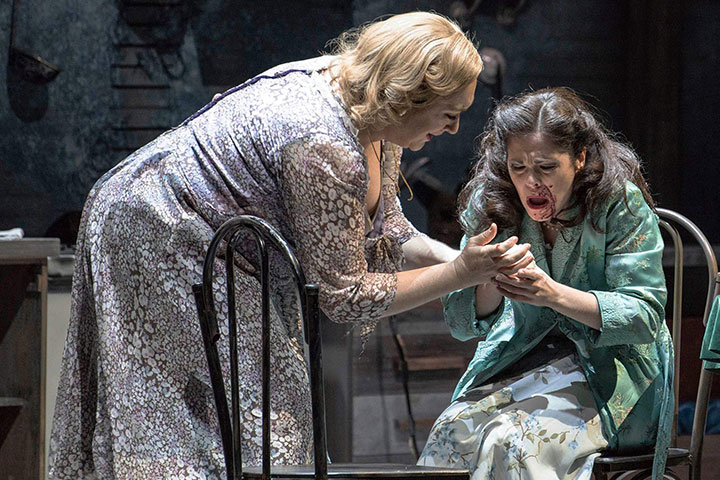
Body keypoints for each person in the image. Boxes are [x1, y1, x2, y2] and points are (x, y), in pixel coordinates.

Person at [49, 12, 535, 480]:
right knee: (214, 419)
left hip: (214, 235)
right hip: (157, 226)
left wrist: (465, 259)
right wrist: (461, 274)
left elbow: (387, 226)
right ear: (408, 94)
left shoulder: (372, 113)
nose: (453, 129)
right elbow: (344, 295)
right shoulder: (323, 143)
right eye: (450, 114)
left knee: (263, 417)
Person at [418, 87, 673, 480]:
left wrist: (553, 295)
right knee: (451, 432)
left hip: (613, 374)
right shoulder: (495, 203)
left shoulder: (618, 203)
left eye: (546, 167)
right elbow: (462, 323)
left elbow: (644, 315)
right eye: (518, 167)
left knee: (512, 441)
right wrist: (489, 276)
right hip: (524, 360)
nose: (531, 181)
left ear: (579, 157)